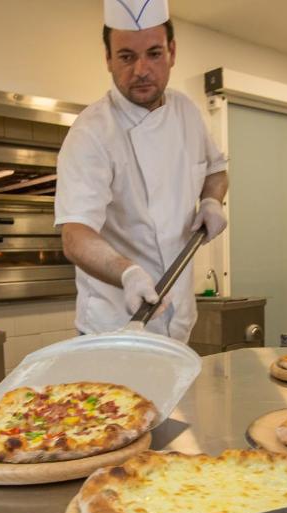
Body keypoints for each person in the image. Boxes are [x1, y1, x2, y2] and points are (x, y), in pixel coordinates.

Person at [55, 0, 229, 342]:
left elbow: (216, 170)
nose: (141, 70)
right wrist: (128, 273)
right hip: (115, 325)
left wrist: (212, 201)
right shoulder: (91, 132)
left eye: (154, 53)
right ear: (108, 59)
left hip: (178, 318)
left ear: (172, 52)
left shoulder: (187, 112)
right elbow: (74, 235)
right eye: (126, 56)